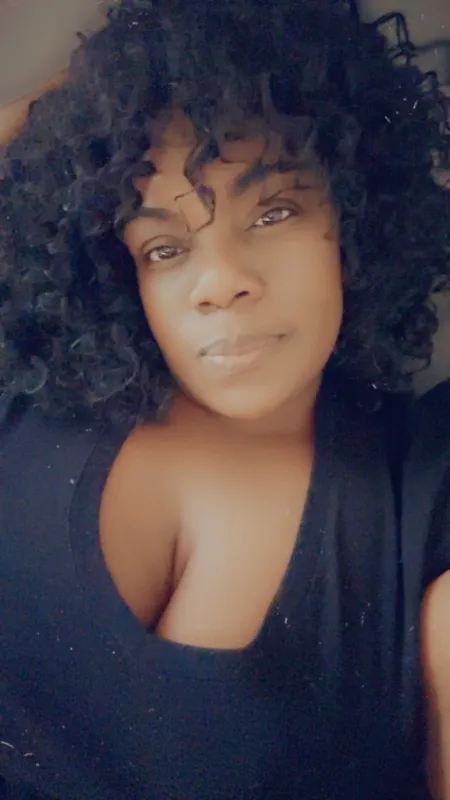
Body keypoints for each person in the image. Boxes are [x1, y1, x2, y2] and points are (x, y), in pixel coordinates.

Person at [0, 0, 449, 798]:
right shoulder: (31, 390)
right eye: (164, 248)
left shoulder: (416, 489)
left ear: (357, 214)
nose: (219, 283)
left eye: (273, 210)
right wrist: (123, 83)